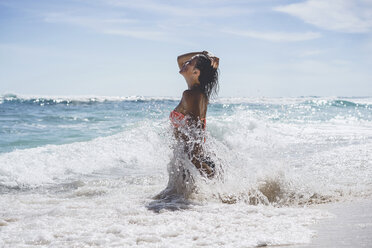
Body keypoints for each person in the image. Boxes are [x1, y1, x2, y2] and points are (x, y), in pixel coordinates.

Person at [169, 51, 220, 178]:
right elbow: (180, 59)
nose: (184, 63)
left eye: (189, 63)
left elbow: (195, 134)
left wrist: (197, 165)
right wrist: (205, 54)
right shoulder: (198, 94)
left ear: (196, 73)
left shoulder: (191, 95)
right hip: (191, 160)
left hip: (192, 162)